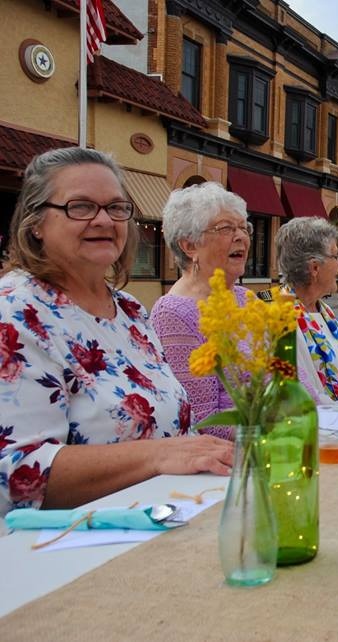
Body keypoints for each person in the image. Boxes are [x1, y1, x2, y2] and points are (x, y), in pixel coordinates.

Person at [0, 147, 231, 516]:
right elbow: (16, 474)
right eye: (80, 207)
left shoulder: (129, 310)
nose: (104, 220)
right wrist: (157, 456)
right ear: (36, 223)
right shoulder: (14, 312)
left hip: (165, 518)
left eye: (116, 208)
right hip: (68, 548)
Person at [150, 182, 323, 439]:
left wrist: (317, 412)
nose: (241, 236)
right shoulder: (173, 314)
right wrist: (281, 430)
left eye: (244, 227)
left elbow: (287, 372)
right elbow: (203, 421)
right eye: (226, 228)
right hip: (244, 459)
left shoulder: (245, 298)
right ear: (189, 246)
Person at [274, 217, 338, 401]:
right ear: (315, 267)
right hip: (332, 423)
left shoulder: (324, 312)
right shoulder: (282, 320)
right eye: (336, 256)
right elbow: (301, 397)